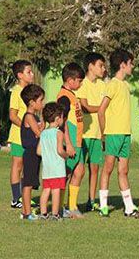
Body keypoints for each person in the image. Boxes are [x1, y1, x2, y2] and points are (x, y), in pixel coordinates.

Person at [97, 49, 137, 217]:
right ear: (123, 65)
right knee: (108, 169)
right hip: (113, 134)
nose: (132, 66)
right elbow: (101, 110)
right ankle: (103, 205)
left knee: (124, 170)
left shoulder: (125, 85)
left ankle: (129, 207)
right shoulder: (112, 84)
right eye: (130, 63)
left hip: (125, 134)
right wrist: (104, 134)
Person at [76, 52, 107, 212]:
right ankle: (71, 201)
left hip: (97, 134)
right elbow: (85, 106)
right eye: (100, 65)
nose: (103, 68)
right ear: (90, 66)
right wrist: (102, 108)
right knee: (78, 169)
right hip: (83, 134)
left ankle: (92, 200)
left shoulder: (103, 85)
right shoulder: (82, 84)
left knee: (94, 168)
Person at [56, 63, 85, 218]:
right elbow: (63, 121)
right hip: (71, 142)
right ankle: (58, 207)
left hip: (78, 141)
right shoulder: (64, 97)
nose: (80, 84)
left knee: (79, 171)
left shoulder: (72, 95)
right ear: (70, 80)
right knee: (65, 174)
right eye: (79, 81)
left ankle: (72, 206)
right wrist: (68, 144)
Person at [7, 60, 35, 209]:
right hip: (18, 136)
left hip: (30, 137)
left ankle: (25, 196)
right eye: (28, 72)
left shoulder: (32, 92)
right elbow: (13, 115)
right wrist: (26, 127)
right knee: (17, 165)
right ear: (20, 75)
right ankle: (15, 198)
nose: (32, 74)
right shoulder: (17, 92)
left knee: (28, 166)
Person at [37, 102, 68, 221]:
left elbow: (39, 151)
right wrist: (65, 156)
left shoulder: (43, 133)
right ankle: (55, 214)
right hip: (57, 168)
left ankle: (43, 213)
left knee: (46, 190)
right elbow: (60, 150)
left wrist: (47, 153)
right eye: (61, 117)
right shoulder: (59, 133)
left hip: (47, 169)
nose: (62, 119)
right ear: (57, 119)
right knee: (56, 191)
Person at [19, 84, 45, 220]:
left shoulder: (34, 117)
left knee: (31, 181)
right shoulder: (29, 116)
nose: (42, 103)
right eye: (40, 100)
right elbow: (38, 133)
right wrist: (46, 122)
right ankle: (27, 212)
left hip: (35, 154)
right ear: (32, 102)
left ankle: (25, 211)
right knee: (28, 183)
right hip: (30, 153)